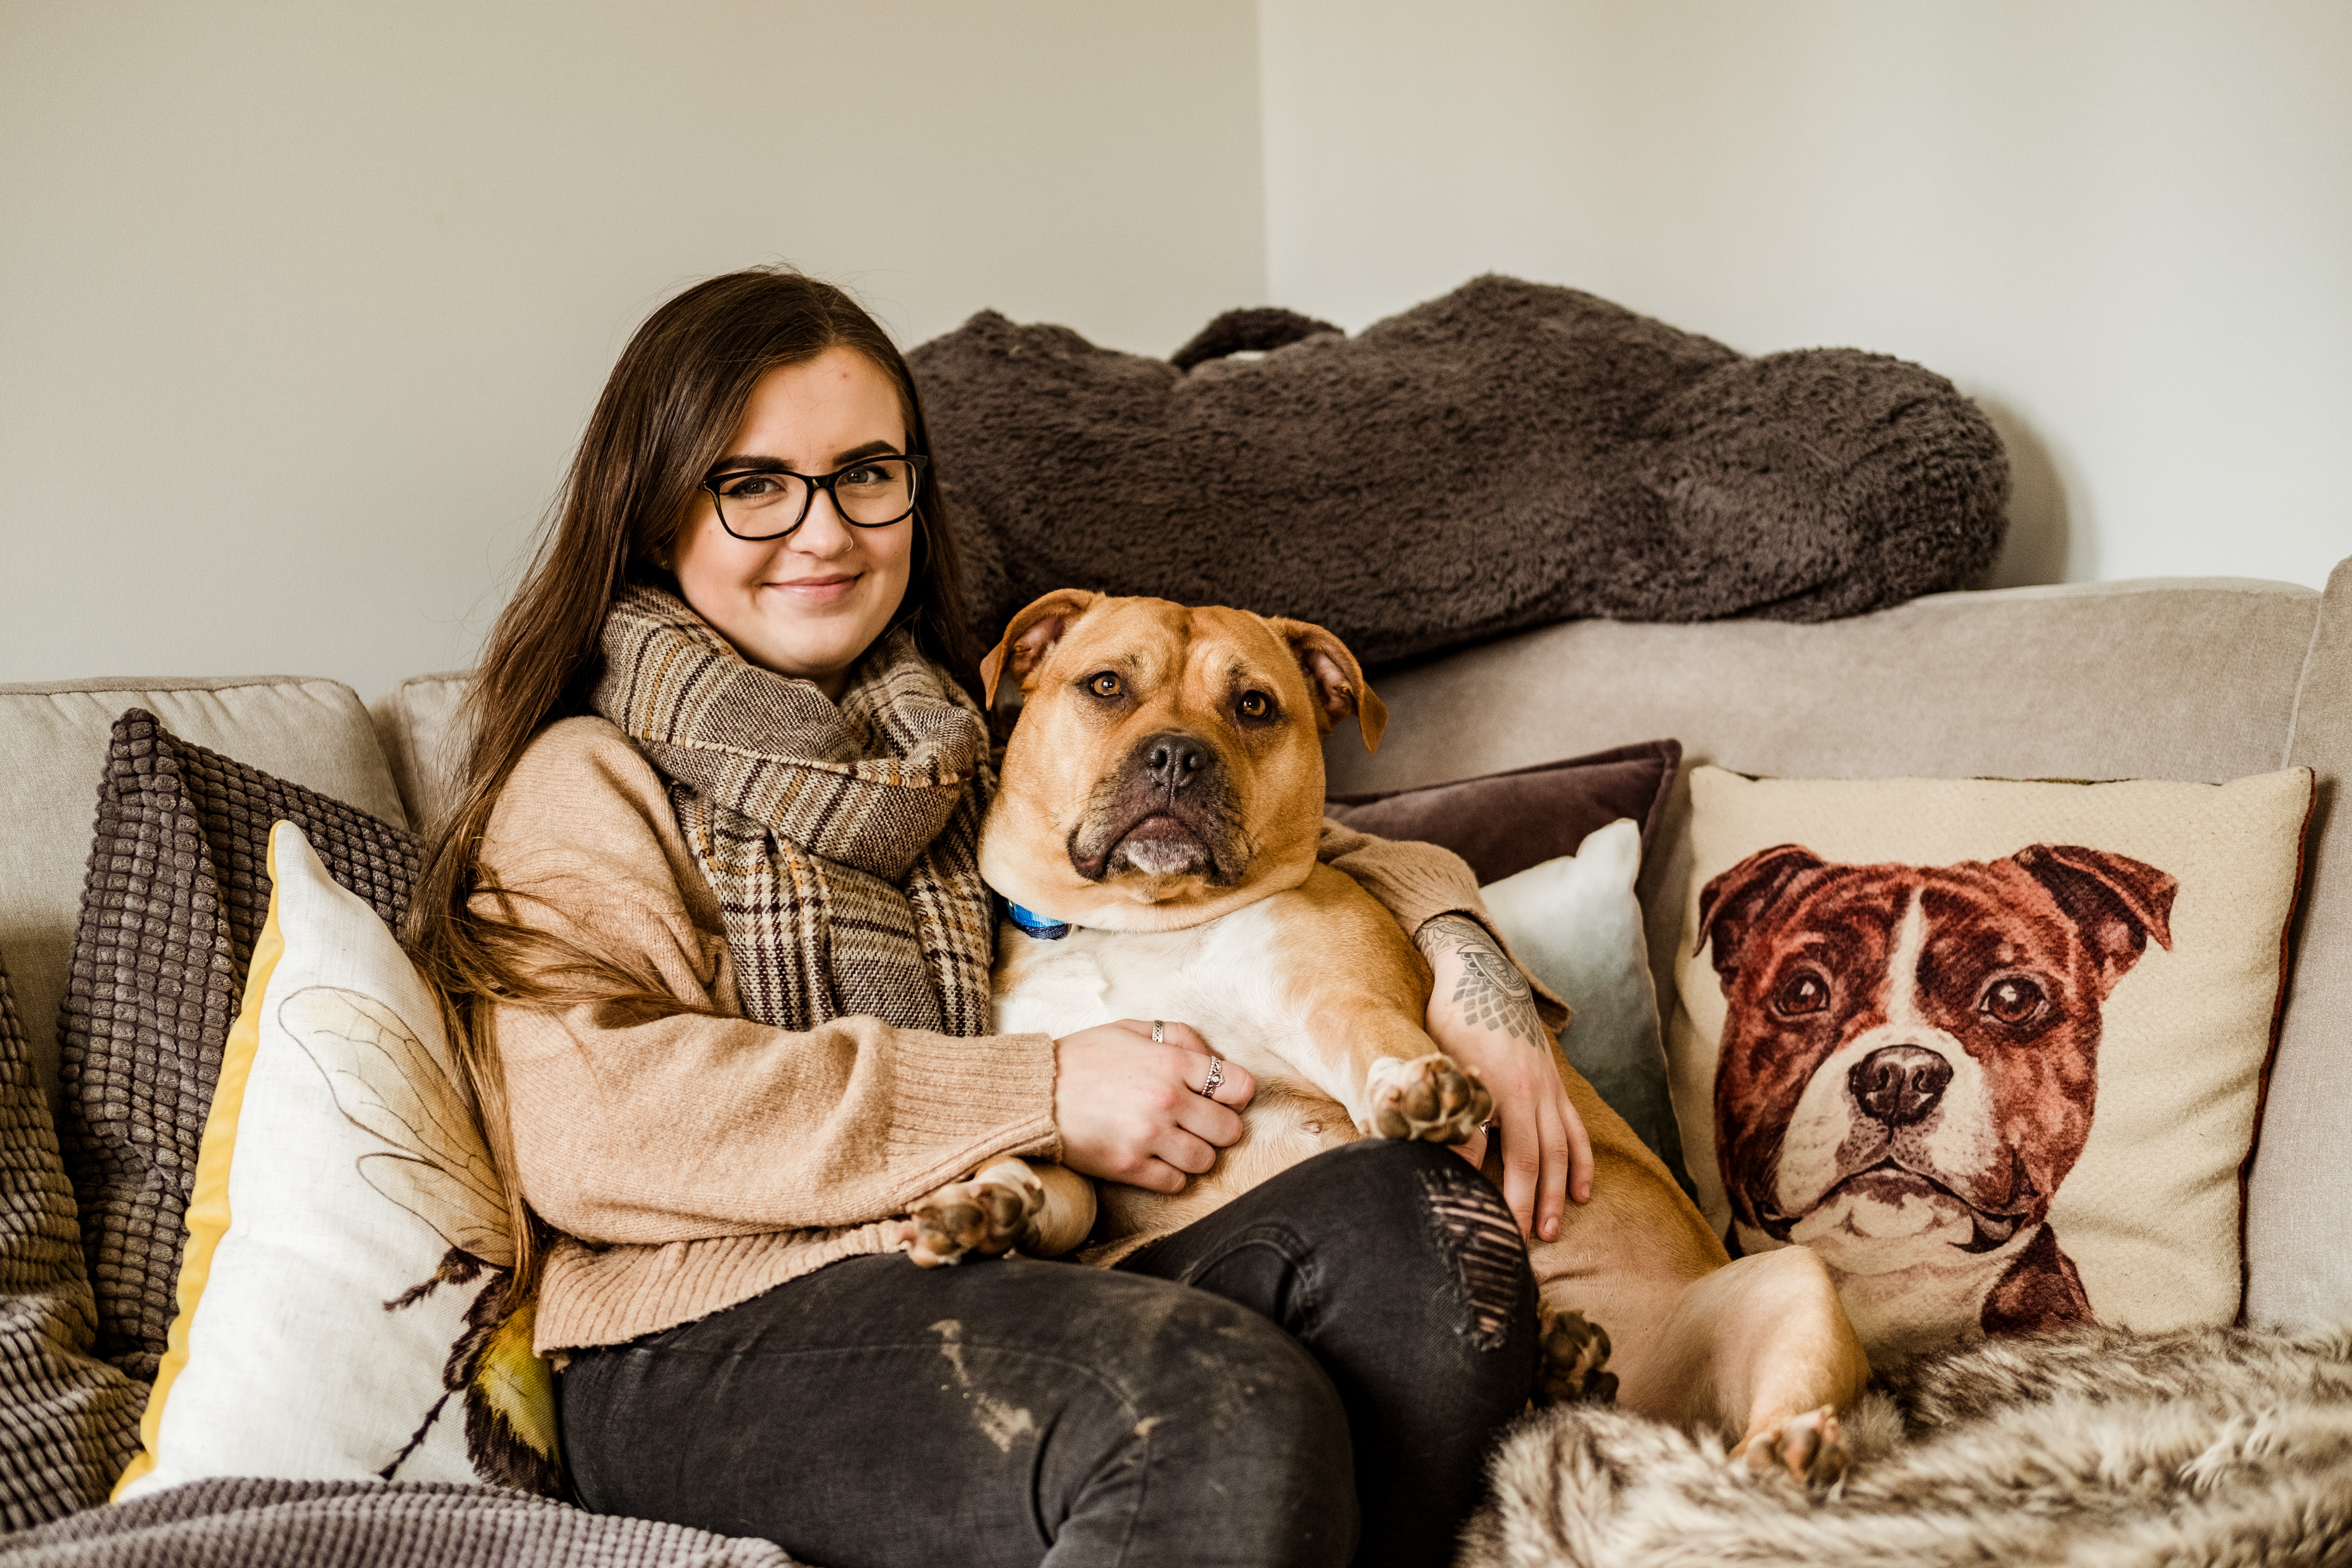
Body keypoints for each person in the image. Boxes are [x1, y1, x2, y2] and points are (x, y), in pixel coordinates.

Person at [407, 267, 1592, 1568]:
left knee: (1427, 1228)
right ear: (653, 514)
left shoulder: (963, 748)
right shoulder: (588, 776)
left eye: (867, 474)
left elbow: (1294, 847)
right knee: (1200, 1394)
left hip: (993, 1270)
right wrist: (1036, 1096)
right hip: (696, 1332)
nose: (824, 533)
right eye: (754, 486)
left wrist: (1469, 968)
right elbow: (594, 1127)